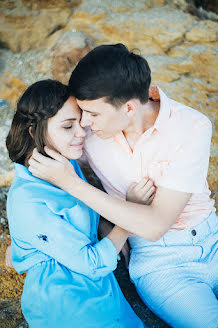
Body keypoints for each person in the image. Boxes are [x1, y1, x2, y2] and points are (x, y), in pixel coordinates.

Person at [27, 44, 218, 328]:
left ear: (129, 108)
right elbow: (34, 157)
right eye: (81, 111)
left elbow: (156, 222)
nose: (84, 123)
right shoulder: (86, 136)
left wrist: (73, 184)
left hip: (212, 241)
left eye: (92, 113)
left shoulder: (191, 126)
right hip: (162, 264)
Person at [5, 79, 147, 328]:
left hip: (101, 294)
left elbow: (79, 208)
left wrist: (102, 224)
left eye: (81, 123)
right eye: (68, 126)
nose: (82, 132)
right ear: (33, 131)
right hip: (67, 304)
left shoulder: (63, 163)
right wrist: (124, 222)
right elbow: (92, 264)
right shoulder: (27, 200)